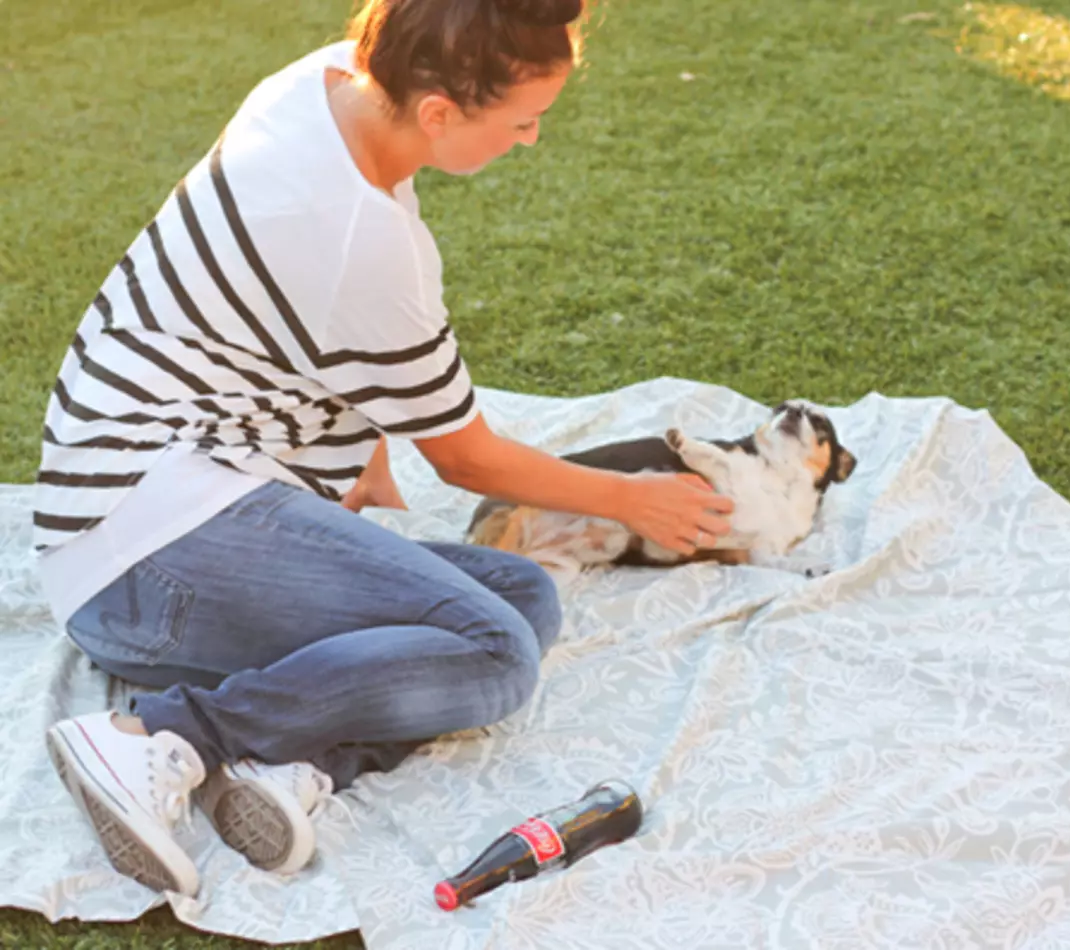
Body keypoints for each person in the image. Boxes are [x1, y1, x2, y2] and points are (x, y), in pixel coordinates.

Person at [35, 0, 733, 899]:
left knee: (521, 590)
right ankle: (167, 738)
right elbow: (467, 459)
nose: (529, 141)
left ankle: (294, 762)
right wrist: (635, 499)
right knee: (497, 653)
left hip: (142, 500)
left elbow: (285, 316)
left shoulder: (328, 84)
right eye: (523, 121)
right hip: (143, 559)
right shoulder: (367, 245)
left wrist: (358, 453)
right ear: (440, 112)